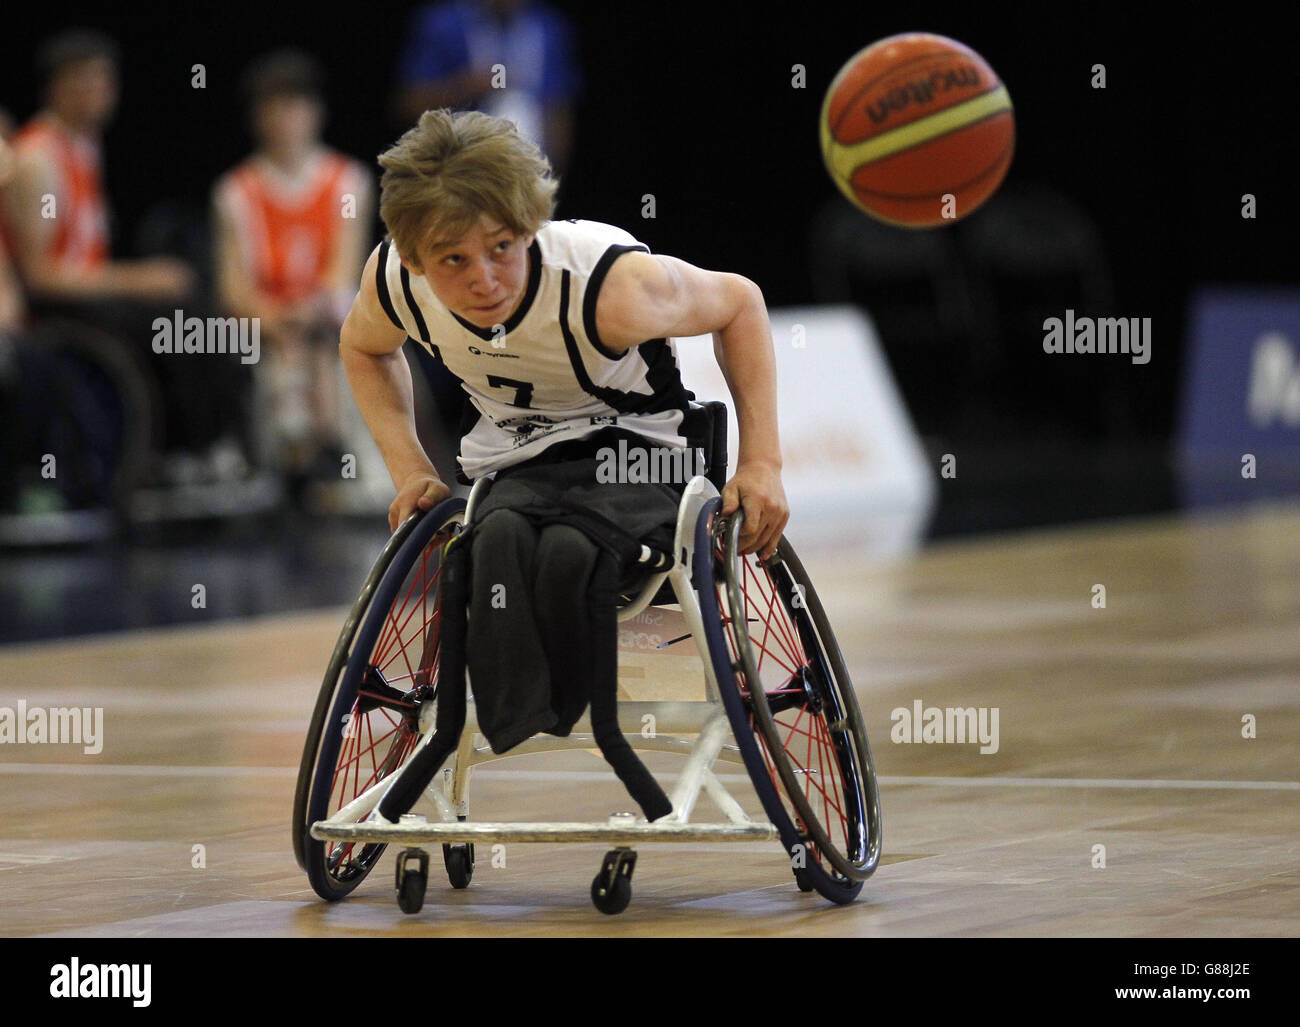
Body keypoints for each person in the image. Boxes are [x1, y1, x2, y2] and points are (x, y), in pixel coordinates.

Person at [340, 109, 786, 810]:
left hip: (644, 448)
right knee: (499, 539)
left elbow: (742, 304)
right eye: (453, 259)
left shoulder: (611, 285)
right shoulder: (396, 282)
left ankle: (597, 704)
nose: (483, 278)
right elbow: (363, 348)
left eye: (502, 247)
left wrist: (763, 463)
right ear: (416, 256)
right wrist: (410, 469)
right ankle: (517, 713)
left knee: (573, 548)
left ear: (530, 224)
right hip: (520, 457)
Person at [3, 29, 249, 485]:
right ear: (58, 86)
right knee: (173, 319)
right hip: (54, 308)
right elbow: (38, 277)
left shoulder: (85, 148)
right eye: (89, 82)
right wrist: (136, 279)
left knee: (202, 310)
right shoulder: (38, 158)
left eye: (105, 82)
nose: (101, 94)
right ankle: (188, 450)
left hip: (87, 296)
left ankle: (218, 445)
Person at [212, 49, 378, 502]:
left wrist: (306, 316)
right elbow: (234, 287)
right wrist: (276, 319)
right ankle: (292, 457)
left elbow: (343, 273)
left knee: (329, 342)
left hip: (324, 319)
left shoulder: (348, 181)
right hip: (269, 325)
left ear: (315, 112)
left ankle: (329, 454)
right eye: (274, 109)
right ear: (257, 118)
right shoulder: (235, 193)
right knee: (274, 349)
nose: (286, 120)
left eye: (295, 106)